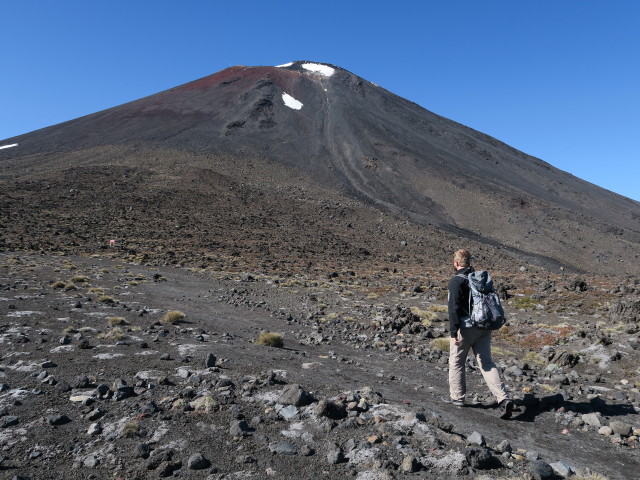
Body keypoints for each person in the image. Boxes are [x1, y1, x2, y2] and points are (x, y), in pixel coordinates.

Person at [445, 249, 514, 419]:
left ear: (456, 263)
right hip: (485, 327)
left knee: (457, 361)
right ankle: (503, 399)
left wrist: (453, 332)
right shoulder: (480, 278)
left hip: (466, 328)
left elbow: (453, 308)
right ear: (469, 262)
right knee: (487, 363)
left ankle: (458, 398)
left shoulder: (456, 281)